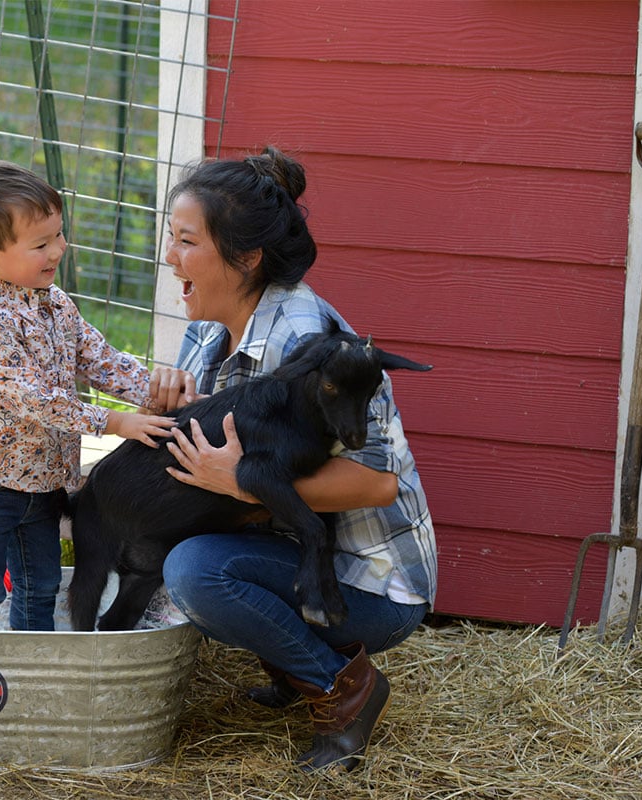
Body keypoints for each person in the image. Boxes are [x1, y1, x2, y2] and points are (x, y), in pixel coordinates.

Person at [149, 146, 437, 772]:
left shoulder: (308, 343)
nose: (170, 257)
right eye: (172, 238)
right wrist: (178, 401)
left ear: (246, 257)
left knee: (196, 573)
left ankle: (345, 691)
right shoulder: (209, 322)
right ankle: (286, 664)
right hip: (301, 553)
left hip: (370, 583)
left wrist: (245, 484)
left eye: (185, 241)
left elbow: (378, 483)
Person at [0, 159, 185, 632]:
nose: (59, 249)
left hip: (44, 485)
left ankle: (34, 682)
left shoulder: (57, 306)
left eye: (58, 235)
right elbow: (36, 399)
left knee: (41, 585)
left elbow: (101, 360)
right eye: (41, 243)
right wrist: (114, 422)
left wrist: (156, 389)